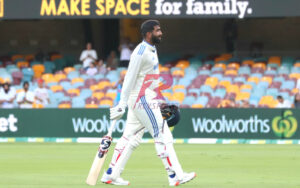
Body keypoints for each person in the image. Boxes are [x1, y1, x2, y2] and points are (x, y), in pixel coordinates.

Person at [101, 20, 196, 186]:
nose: (161, 33)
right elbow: (130, 78)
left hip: (146, 97)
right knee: (162, 134)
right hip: (141, 99)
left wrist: (157, 99)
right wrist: (121, 103)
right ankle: (177, 175)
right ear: (148, 34)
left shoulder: (152, 49)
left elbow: (147, 79)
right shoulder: (141, 51)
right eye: (158, 30)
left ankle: (111, 174)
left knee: (131, 138)